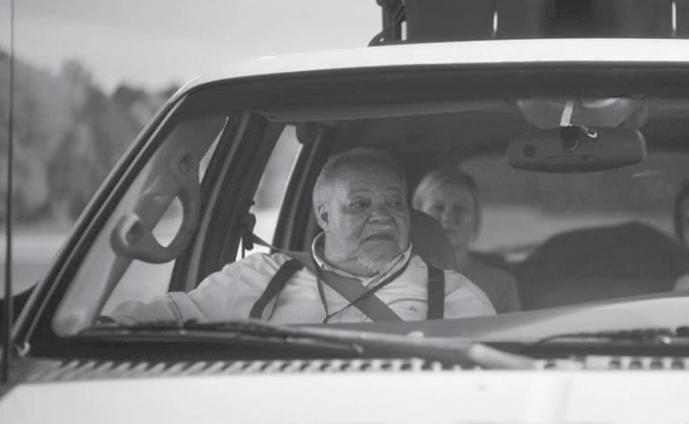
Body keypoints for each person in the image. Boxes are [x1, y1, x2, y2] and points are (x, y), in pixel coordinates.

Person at [110, 148, 496, 324]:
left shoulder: (455, 297)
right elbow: (168, 317)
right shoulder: (261, 277)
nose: (381, 216)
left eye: (394, 203)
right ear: (323, 215)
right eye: (360, 204)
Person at [412, 167, 521, 313]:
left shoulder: (500, 285)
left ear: (476, 219)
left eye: (460, 209)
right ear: (418, 216)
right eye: (437, 207)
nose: (447, 217)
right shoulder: (396, 278)